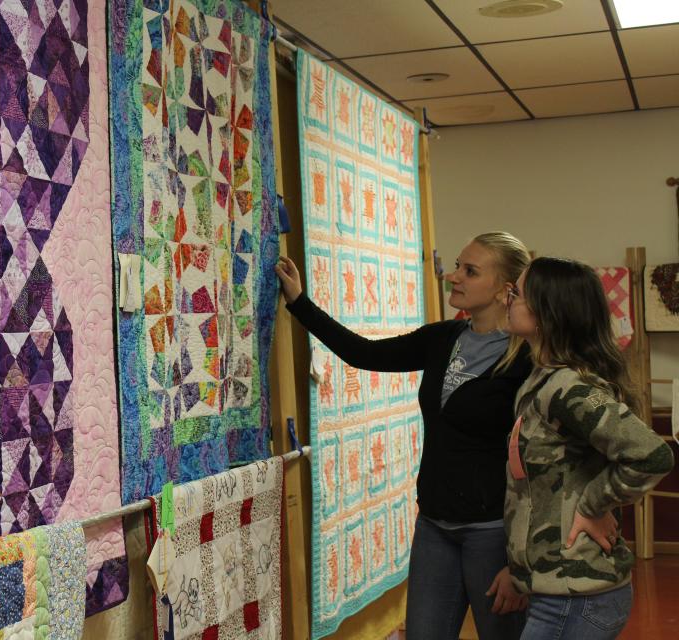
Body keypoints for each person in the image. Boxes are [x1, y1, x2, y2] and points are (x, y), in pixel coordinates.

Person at [276, 232, 532, 639]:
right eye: (457, 266)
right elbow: (364, 353)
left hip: (493, 534)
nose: (453, 276)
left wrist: (522, 564)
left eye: (470, 271)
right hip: (434, 525)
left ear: (504, 290)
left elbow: (548, 461)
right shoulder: (443, 338)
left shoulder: (529, 358)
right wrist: (299, 303)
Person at [503, 257, 674, 640]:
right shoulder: (541, 379)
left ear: (548, 312)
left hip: (576, 596)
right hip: (554, 590)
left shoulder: (569, 388)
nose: (508, 300)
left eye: (517, 294)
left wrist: (593, 504)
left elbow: (652, 454)